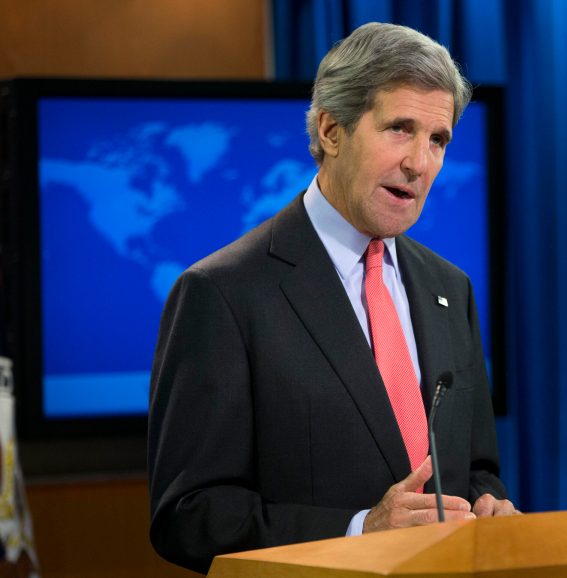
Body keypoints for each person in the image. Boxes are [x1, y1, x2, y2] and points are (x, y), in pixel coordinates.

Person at [148, 21, 518, 575]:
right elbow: (190, 515)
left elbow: (475, 469)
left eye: (437, 139)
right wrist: (359, 530)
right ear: (331, 130)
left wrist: (487, 504)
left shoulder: (450, 288)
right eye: (399, 128)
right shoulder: (221, 293)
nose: (420, 163)